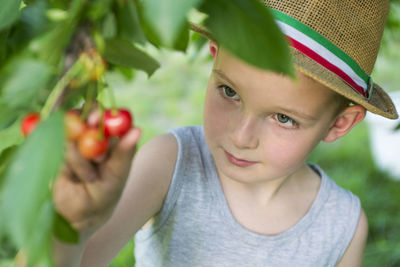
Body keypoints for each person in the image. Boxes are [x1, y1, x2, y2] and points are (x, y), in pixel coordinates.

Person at [52, 0, 398, 266]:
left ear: (340, 123)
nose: (241, 136)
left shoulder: (342, 225)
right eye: (229, 92)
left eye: (283, 118)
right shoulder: (170, 165)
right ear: (214, 57)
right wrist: (74, 222)